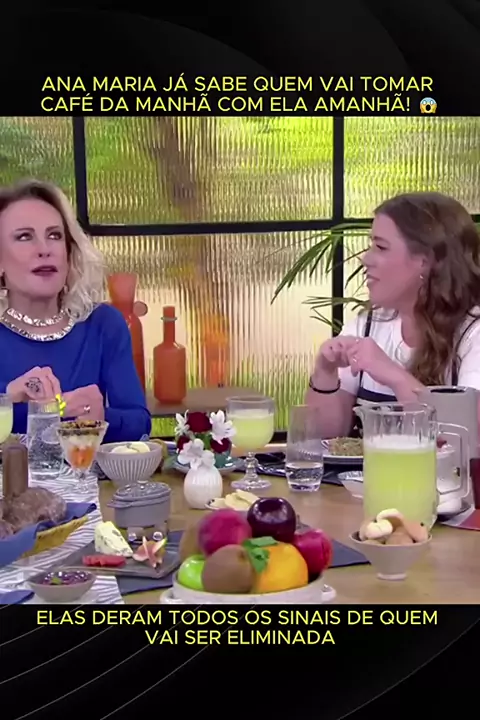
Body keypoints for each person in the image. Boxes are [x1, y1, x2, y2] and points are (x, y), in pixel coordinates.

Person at [307, 191, 480, 438]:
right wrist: (325, 372)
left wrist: (393, 376)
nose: (366, 259)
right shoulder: (368, 324)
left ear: (425, 261)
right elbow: (322, 436)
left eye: (381, 247)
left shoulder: (473, 333)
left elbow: (467, 439)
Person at [0, 178, 151, 442]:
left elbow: (139, 422)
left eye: (55, 235)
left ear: (69, 253)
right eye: (24, 237)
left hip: (88, 469)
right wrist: (9, 400)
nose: (44, 249)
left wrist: (101, 417)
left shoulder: (103, 324)